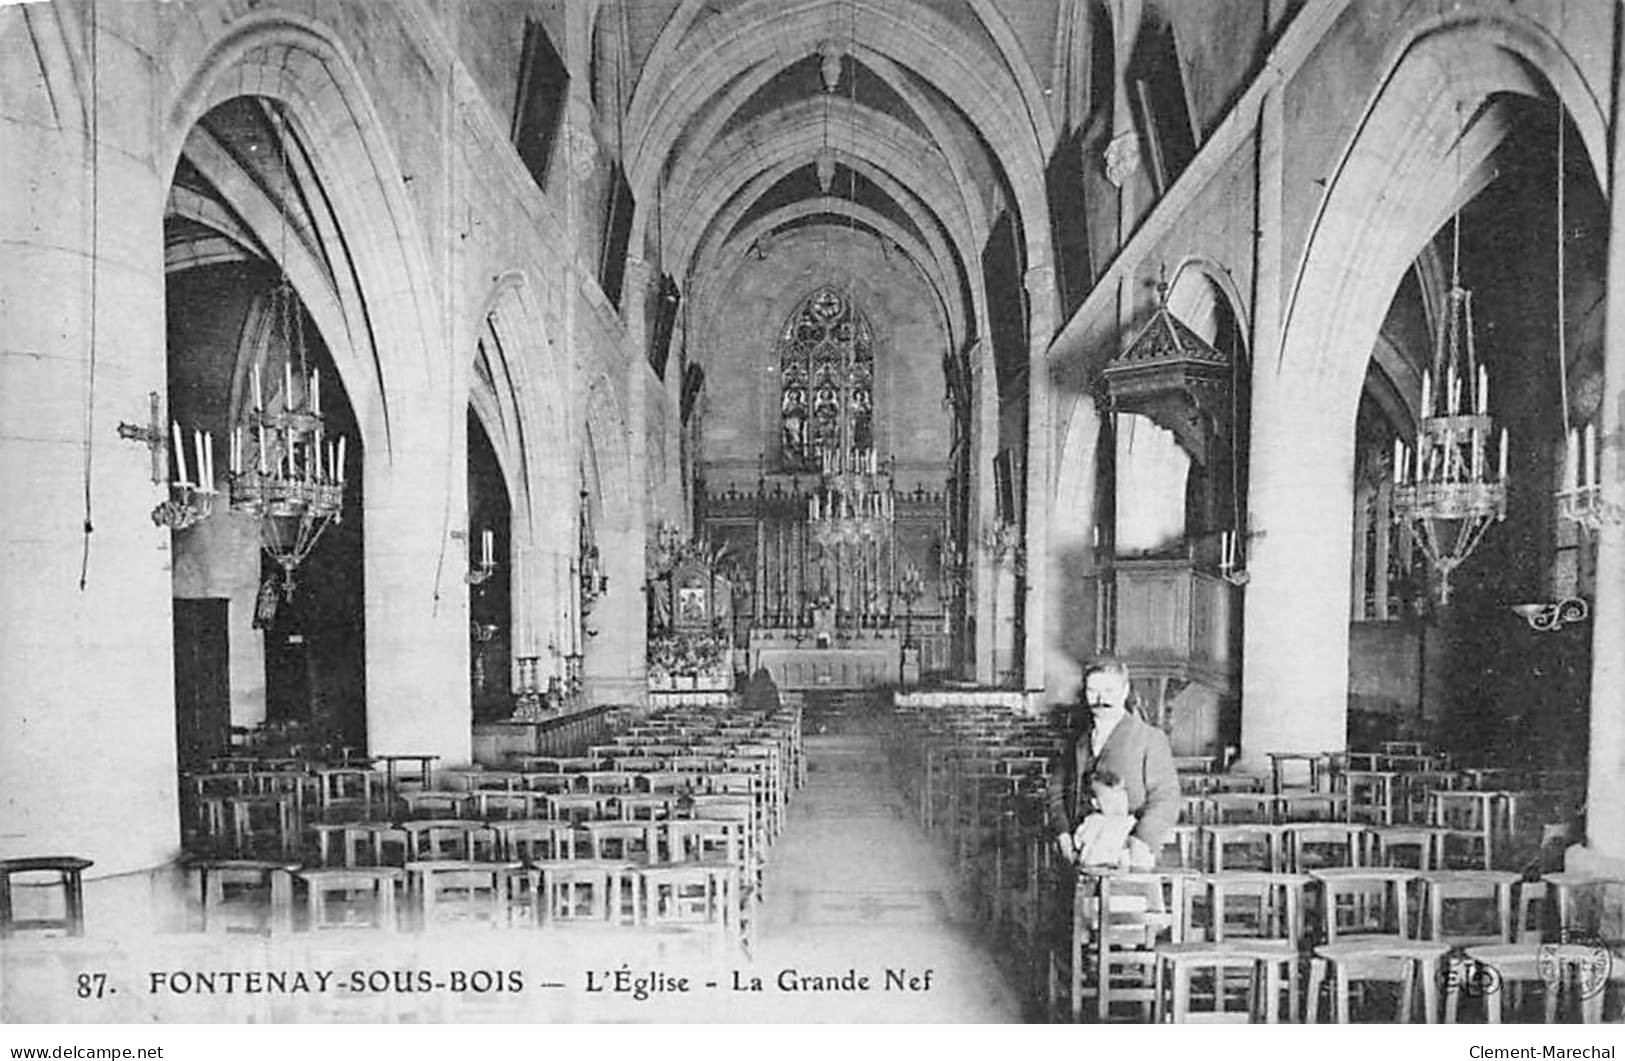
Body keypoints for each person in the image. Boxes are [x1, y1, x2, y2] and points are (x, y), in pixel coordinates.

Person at [1048, 658, 1180, 870]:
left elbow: (1166, 798)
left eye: (1109, 691)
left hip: (1126, 852)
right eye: (1093, 691)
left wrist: (1141, 841)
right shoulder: (1077, 740)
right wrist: (1063, 833)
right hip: (1078, 849)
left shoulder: (1149, 738)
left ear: (1125, 690)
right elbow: (1057, 790)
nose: (1101, 699)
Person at [1070, 768, 1137, 869]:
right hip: (1097, 871)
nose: (1118, 807)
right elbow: (1080, 847)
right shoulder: (1093, 822)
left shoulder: (1132, 822)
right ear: (1096, 803)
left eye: (1122, 799)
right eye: (1110, 802)